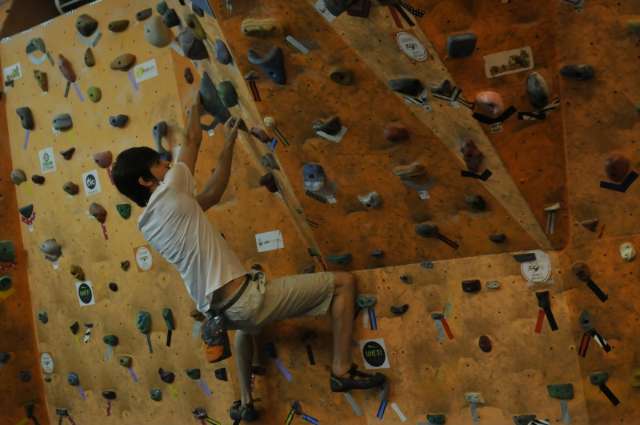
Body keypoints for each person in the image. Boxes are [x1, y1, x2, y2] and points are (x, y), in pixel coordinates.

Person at [112, 101, 386, 422]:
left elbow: (212, 195)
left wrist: (228, 146)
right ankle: (341, 369)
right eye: (158, 164)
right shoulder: (169, 193)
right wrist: (197, 98)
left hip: (220, 314)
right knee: (343, 284)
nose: (165, 164)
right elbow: (192, 141)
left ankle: (245, 401)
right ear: (146, 181)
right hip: (245, 302)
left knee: (245, 327)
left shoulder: (151, 222)